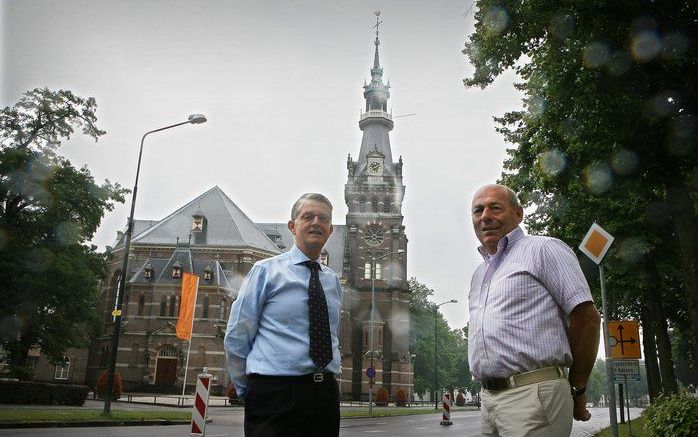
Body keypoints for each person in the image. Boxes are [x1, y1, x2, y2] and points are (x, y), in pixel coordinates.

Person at [468, 184, 601, 436]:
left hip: (534, 394)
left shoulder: (544, 249)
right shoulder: (480, 275)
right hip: (489, 400)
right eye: (478, 211)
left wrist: (578, 388)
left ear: (518, 214)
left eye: (495, 208)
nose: (485, 216)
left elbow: (587, 318)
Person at [225, 193, 342, 437]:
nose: (316, 222)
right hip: (274, 394)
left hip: (325, 396)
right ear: (292, 226)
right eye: (307, 216)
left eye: (323, 218)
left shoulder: (332, 281)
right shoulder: (265, 271)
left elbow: (332, 335)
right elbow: (237, 334)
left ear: (330, 230)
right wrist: (250, 390)